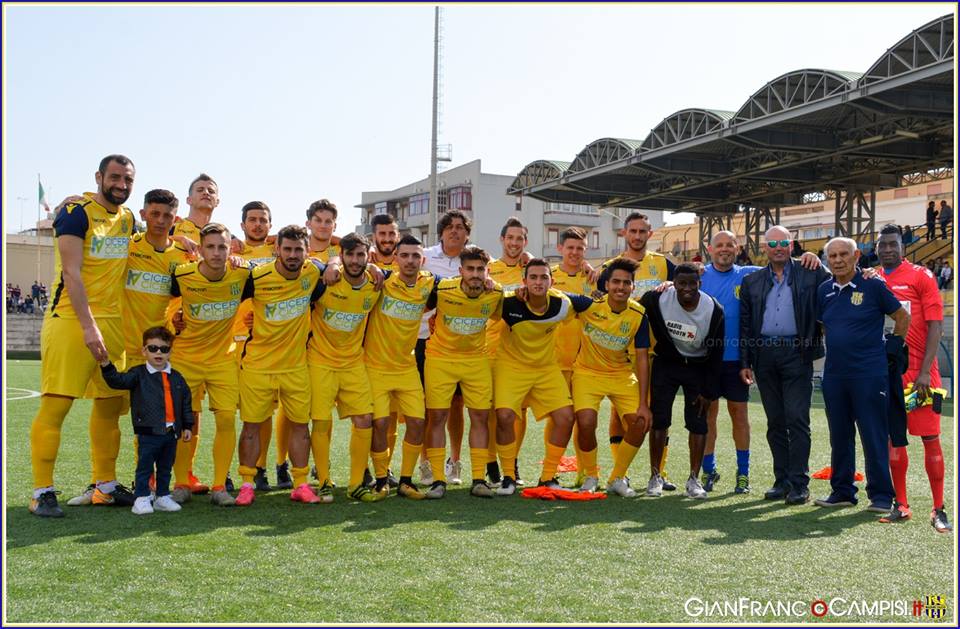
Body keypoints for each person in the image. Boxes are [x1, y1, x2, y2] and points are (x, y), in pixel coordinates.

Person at [65, 189, 190, 506]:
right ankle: (100, 482)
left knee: (152, 423)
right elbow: (99, 225)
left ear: (175, 219)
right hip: (117, 345)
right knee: (106, 412)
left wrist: (178, 319)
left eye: (167, 216)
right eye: (155, 214)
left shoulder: (180, 257)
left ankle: (145, 486)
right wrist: (77, 199)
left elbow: (185, 294)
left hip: (152, 354)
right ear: (144, 214)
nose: (160, 221)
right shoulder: (126, 246)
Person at [29, 154, 138, 518]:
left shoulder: (128, 219)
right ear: (99, 177)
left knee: (110, 408)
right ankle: (41, 491)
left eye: (128, 179)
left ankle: (104, 485)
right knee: (56, 406)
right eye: (116, 177)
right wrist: (89, 326)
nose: (121, 184)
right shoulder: (75, 212)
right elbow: (72, 275)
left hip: (114, 325)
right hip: (71, 321)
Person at [739, 225, 832, 505]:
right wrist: (745, 361)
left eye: (783, 242)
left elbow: (837, 281)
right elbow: (745, 325)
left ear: (792, 245)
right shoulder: (752, 281)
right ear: (764, 248)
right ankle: (782, 481)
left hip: (797, 352)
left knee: (797, 419)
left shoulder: (811, 271)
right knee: (775, 421)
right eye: (772, 243)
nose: (778, 247)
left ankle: (799, 484)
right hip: (764, 355)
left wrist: (821, 261)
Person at [815, 237, 908, 515]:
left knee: (873, 434)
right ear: (826, 259)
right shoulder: (824, 290)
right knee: (839, 436)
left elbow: (902, 316)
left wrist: (893, 346)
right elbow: (823, 326)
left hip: (869, 374)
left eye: (844, 254)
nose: (838, 260)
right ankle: (842, 491)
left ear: (856, 256)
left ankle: (880, 496)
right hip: (834, 375)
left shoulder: (873, 284)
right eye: (832, 256)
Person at [234, 225, 324, 506]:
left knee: (300, 426)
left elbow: (336, 266)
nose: (293, 254)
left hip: (296, 366)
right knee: (251, 426)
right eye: (287, 249)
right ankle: (247, 483)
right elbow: (225, 295)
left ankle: (300, 484)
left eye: (299, 249)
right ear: (277, 250)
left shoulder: (313, 273)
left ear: (307, 252)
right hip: (258, 365)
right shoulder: (256, 277)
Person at [493, 259, 593, 495]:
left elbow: (593, 305)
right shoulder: (506, 303)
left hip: (546, 368)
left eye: (543, 277)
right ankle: (508, 476)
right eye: (533, 277)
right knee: (505, 416)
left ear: (552, 281)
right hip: (511, 367)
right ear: (524, 281)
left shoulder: (562, 304)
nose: (538, 282)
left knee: (566, 417)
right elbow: (480, 305)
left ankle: (548, 476)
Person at [169, 222, 251, 506]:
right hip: (185, 359)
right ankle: (180, 483)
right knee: (184, 423)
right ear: (201, 249)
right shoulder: (181, 275)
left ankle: (219, 486)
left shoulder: (243, 273)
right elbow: (163, 304)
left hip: (223, 359)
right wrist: (173, 321)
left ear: (231, 249)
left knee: (227, 419)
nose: (217, 253)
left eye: (222, 247)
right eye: (211, 247)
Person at [875, 225, 951, 532]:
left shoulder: (922, 276)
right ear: (877, 249)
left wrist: (923, 372)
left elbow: (935, 325)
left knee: (930, 439)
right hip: (887, 372)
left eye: (893, 244)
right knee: (894, 438)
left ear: (902, 247)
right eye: (883, 245)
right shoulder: (873, 278)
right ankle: (901, 504)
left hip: (920, 374)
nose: (888, 249)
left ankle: (938, 508)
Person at [598, 212, 677, 490]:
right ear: (624, 234)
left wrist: (689, 274)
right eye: (633, 231)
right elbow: (598, 304)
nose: (637, 236)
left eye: (643, 231)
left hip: (657, 350)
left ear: (650, 234)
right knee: (619, 415)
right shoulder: (609, 267)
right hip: (619, 351)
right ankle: (622, 472)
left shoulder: (665, 264)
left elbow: (687, 287)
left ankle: (659, 472)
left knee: (659, 411)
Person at [424, 245, 504, 499]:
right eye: (470, 269)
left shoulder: (496, 293)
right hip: (440, 359)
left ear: (487, 272)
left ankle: (479, 479)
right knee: (436, 417)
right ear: (460, 271)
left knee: (480, 418)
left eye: (480, 269)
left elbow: (508, 315)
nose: (475, 274)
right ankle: (438, 479)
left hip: (476, 360)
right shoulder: (443, 289)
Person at [307, 232, 382, 502]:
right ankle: (324, 481)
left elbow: (396, 270)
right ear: (341, 256)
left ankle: (355, 484)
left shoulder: (375, 284)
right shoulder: (325, 280)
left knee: (365, 419)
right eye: (349, 254)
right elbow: (308, 262)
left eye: (360, 255)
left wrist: (375, 267)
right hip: (320, 361)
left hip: (353, 362)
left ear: (367, 256)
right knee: (322, 421)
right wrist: (330, 265)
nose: (355, 260)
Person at [364, 235, 439, 497]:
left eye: (415, 256)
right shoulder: (381, 281)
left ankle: (406, 480)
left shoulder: (430, 283)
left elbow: (459, 287)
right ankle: (382, 479)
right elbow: (349, 266)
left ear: (423, 260)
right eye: (404, 255)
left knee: (418, 422)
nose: (410, 261)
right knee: (381, 424)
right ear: (395, 258)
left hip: (406, 366)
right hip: (376, 366)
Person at [640, 264, 724, 499]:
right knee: (659, 420)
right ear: (673, 283)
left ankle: (694, 480)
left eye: (692, 283)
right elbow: (631, 309)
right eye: (681, 283)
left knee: (698, 423)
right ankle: (655, 475)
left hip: (697, 367)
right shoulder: (657, 298)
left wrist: (709, 391)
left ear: (700, 283)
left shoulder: (713, 309)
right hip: (666, 364)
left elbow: (717, 352)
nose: (687, 288)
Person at [570, 258, 651, 496]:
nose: (621, 287)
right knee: (586, 422)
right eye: (616, 281)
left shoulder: (639, 315)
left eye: (627, 283)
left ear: (633, 287)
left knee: (641, 422)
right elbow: (557, 295)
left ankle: (617, 477)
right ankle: (590, 475)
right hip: (587, 372)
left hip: (621, 375)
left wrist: (645, 403)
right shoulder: (589, 305)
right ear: (607, 285)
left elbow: (643, 358)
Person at [99, 327, 194, 515]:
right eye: (153, 348)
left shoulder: (177, 377)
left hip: (171, 433)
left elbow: (185, 402)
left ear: (170, 352)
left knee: (166, 467)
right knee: (145, 467)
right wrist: (106, 365)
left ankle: (162, 497)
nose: (158, 352)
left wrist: (188, 425)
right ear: (144, 351)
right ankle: (142, 498)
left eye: (164, 349)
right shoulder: (138, 373)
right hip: (148, 432)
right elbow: (118, 381)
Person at [231, 201, 285, 492]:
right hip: (232, 341)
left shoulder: (279, 252)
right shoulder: (231, 251)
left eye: (263, 220)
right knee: (227, 412)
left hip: (268, 343)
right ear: (242, 224)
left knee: (263, 412)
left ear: (271, 225)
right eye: (252, 219)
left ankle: (259, 468)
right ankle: (224, 473)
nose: (257, 224)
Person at [415, 210, 472, 486]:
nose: (454, 231)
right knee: (429, 405)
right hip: (424, 340)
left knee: (456, 405)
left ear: (467, 233)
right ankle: (426, 462)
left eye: (460, 227)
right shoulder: (424, 256)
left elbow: (502, 273)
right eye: (449, 227)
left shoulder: (475, 259)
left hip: (460, 345)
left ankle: (455, 462)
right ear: (441, 232)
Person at [484, 217, 529, 486]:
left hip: (520, 354)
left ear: (525, 242)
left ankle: (512, 463)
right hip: (490, 350)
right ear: (502, 240)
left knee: (517, 412)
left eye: (520, 239)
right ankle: (490, 463)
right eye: (510, 238)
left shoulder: (530, 269)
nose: (514, 243)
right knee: (491, 411)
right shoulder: (489, 269)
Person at [551, 227, 596, 487]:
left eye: (580, 248)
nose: (575, 253)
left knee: (583, 418)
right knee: (558, 417)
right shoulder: (549, 276)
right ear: (560, 249)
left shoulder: (593, 278)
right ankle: (552, 470)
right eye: (570, 248)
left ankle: (584, 470)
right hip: (555, 360)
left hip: (585, 361)